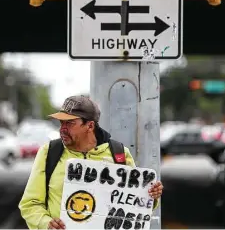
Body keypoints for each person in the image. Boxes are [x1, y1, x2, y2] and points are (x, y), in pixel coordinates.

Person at [19, 95, 164, 230]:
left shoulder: (119, 154)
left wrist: (151, 195)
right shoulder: (49, 152)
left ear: (90, 126)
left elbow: (134, 206)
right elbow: (30, 204)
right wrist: (46, 224)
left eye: (69, 123)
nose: (62, 129)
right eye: (61, 122)